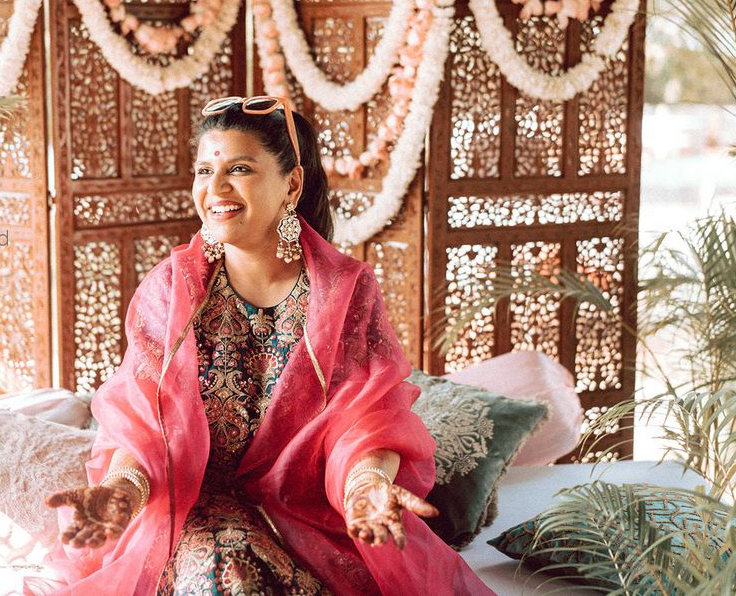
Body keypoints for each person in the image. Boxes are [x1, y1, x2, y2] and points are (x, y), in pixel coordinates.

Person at [34, 96, 494, 595]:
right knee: (226, 575)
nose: (215, 188)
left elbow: (368, 420)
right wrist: (122, 493)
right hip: (191, 511)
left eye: (239, 169)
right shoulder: (171, 292)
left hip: (309, 515)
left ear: (291, 184)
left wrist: (367, 488)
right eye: (205, 169)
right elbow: (141, 426)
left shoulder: (344, 292)